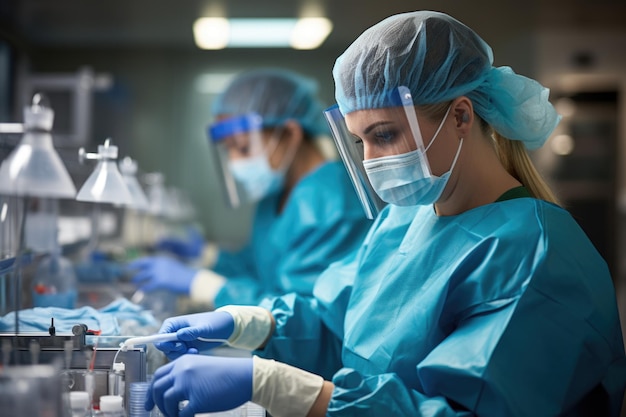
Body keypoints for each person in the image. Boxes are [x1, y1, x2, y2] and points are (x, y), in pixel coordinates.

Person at [143, 11, 626, 417]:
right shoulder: (403, 220)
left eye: (385, 135)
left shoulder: (532, 253)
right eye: (360, 142)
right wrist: (245, 323)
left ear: (461, 116)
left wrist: (273, 385)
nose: (371, 160)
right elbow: (338, 323)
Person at [128, 68, 373, 309]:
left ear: (290, 133)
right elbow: (262, 269)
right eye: (228, 150)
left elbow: (308, 317)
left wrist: (203, 285)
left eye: (243, 148)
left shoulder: (335, 203)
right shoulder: (277, 195)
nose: (235, 162)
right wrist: (208, 255)